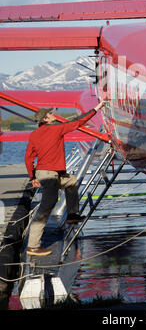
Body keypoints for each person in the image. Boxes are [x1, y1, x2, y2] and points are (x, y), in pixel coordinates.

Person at [24, 101, 106, 257]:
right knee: (47, 205)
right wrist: (96, 108)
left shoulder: (34, 135)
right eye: (50, 113)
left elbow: (28, 158)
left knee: (72, 181)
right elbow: (78, 122)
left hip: (45, 173)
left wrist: (32, 177)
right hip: (49, 175)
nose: (52, 114)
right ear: (45, 120)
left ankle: (72, 215)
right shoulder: (57, 129)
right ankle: (33, 246)